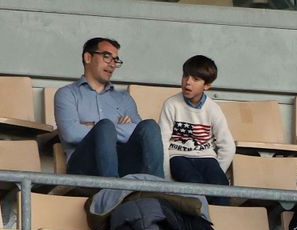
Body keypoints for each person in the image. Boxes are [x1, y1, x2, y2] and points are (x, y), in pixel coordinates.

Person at [53, 38, 163, 179]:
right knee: (105, 126)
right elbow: (71, 133)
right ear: (88, 57)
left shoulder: (124, 98)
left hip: (122, 162)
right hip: (83, 166)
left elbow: (141, 133)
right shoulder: (67, 94)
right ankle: (111, 190)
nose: (112, 64)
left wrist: (98, 129)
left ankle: (158, 189)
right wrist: (106, 129)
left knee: (150, 126)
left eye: (115, 60)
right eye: (106, 57)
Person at [159, 55, 234, 189]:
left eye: (195, 79)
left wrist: (217, 173)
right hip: (178, 157)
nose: (188, 82)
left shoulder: (213, 109)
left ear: (207, 86)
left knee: (221, 188)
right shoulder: (171, 104)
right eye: (185, 76)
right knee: (194, 184)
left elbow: (228, 146)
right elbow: (162, 142)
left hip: (207, 159)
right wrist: (167, 177)